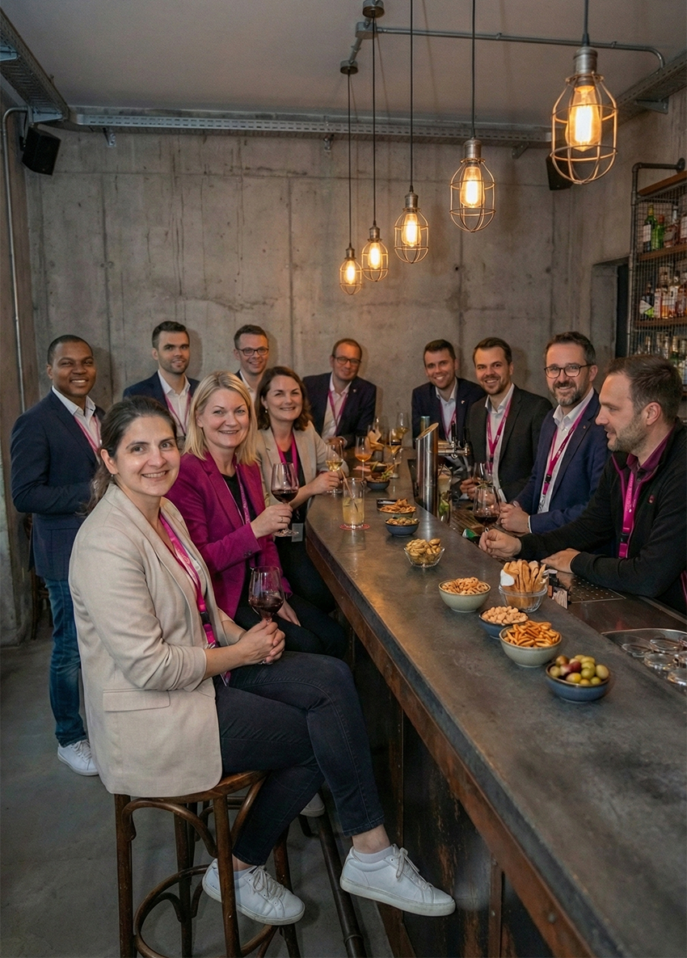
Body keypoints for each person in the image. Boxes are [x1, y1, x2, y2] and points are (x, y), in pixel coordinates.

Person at [69, 396, 456, 925]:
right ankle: (240, 865)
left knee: (332, 679)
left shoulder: (163, 511)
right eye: (137, 449)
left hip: (202, 675)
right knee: (318, 736)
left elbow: (200, 603)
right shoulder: (106, 543)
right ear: (110, 460)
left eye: (164, 444)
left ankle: (369, 851)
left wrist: (245, 632)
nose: (157, 459)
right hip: (156, 713)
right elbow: (149, 668)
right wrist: (239, 650)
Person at [480, 355, 687, 614]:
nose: (599, 419)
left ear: (651, 413)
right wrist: (522, 546)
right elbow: (587, 528)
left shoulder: (681, 470)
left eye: (612, 409)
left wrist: (578, 562)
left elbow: (649, 574)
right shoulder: (623, 460)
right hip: (636, 606)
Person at [167, 372, 347, 658]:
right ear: (198, 417)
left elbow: (267, 542)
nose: (232, 421)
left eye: (239, 411)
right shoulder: (187, 473)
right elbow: (198, 562)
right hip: (225, 600)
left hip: (260, 592)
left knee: (336, 636)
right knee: (310, 646)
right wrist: (254, 530)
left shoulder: (246, 465)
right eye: (219, 412)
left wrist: (278, 594)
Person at [10, 335, 103, 776]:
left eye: (86, 362)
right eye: (67, 363)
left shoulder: (99, 416)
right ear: (50, 370)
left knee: (102, 645)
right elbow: (25, 494)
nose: (79, 370)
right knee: (68, 649)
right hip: (63, 553)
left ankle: (100, 728)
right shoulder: (36, 421)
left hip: (103, 550)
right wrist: (92, 492)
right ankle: (69, 737)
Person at [255, 365, 349, 628]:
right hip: (274, 539)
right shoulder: (254, 442)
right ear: (264, 400)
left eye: (295, 393)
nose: (289, 400)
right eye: (279, 394)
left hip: (305, 530)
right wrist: (310, 488)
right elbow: (265, 507)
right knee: (322, 592)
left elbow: (340, 466)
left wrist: (328, 477)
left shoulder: (305, 431)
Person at [499, 332, 608, 534]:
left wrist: (531, 524)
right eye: (554, 369)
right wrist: (515, 508)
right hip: (539, 540)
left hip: (572, 551)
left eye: (572, 368)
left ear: (592, 372)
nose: (562, 378)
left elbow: (597, 509)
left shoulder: (604, 425)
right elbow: (538, 480)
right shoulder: (550, 418)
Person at [460, 337, 551, 502]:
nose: (489, 373)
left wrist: (498, 496)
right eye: (482, 367)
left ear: (510, 368)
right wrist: (472, 485)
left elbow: (543, 471)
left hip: (519, 510)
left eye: (496, 365)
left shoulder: (537, 408)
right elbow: (476, 464)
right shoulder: (476, 411)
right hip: (484, 509)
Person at [123, 320, 199, 440]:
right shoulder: (136, 395)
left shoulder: (202, 390)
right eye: (169, 348)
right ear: (155, 354)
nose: (178, 353)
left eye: (183, 347)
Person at [303, 339, 377, 447]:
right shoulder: (310, 385)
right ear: (332, 361)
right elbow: (298, 423)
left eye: (354, 361)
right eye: (342, 359)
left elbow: (363, 432)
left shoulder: (366, 391)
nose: (348, 366)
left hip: (342, 455)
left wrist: (342, 441)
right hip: (311, 450)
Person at [411, 338, 485, 441]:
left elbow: (479, 440)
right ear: (426, 371)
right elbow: (418, 440)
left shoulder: (476, 394)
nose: (437, 370)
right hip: (435, 457)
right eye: (431, 366)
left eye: (443, 363)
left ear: (455, 364)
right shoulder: (420, 396)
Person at [233, 324, 270, 403]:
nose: (256, 356)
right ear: (237, 354)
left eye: (261, 349)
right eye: (248, 350)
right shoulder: (228, 388)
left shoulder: (276, 387)